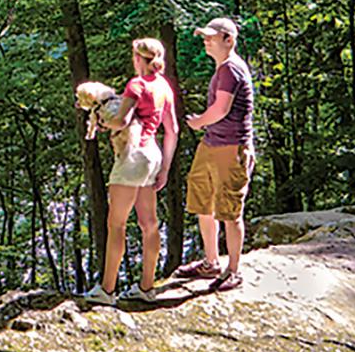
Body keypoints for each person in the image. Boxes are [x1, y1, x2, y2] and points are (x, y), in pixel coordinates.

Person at [85, 38, 179, 304]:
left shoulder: (136, 84)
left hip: (132, 157)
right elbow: (172, 130)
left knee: (116, 224)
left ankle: (106, 290)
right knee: (149, 225)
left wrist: (102, 120)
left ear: (138, 58)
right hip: (153, 156)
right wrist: (166, 169)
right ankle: (146, 288)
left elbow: (122, 120)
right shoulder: (164, 86)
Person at [173, 17, 256, 292]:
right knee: (202, 202)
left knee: (230, 211)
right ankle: (211, 262)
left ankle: (233, 270)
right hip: (212, 145)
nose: (206, 41)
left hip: (231, 148)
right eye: (205, 36)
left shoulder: (231, 69)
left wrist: (198, 122)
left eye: (211, 37)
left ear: (228, 40)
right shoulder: (223, 68)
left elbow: (221, 109)